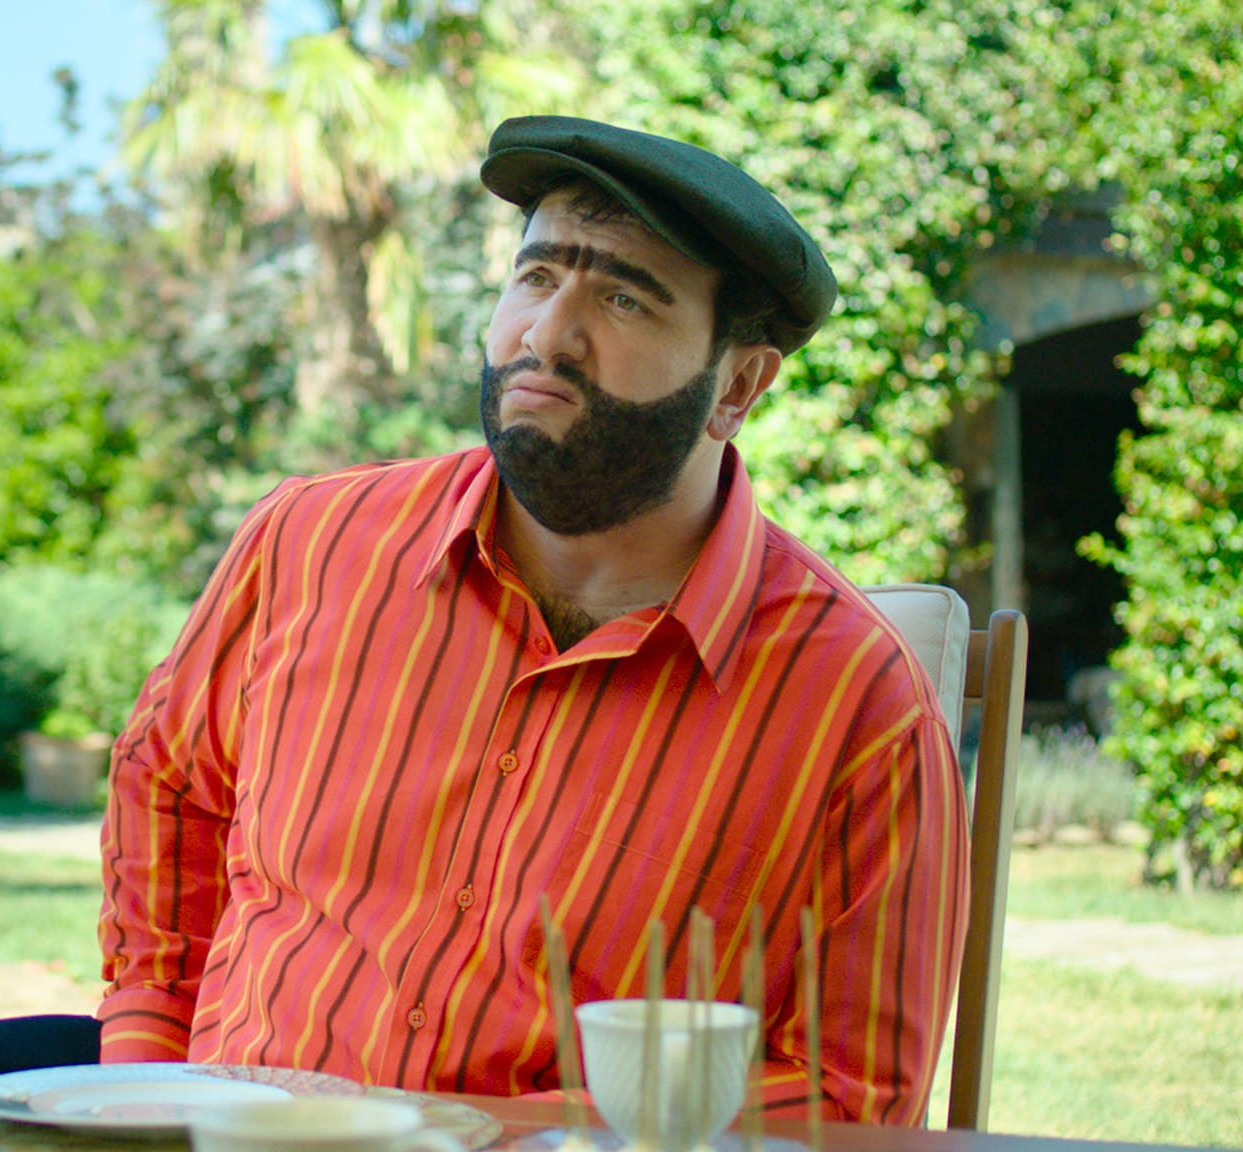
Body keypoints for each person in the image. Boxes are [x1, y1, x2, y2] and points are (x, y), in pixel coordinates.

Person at [95, 116, 969, 1127]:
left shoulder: (858, 708)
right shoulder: (308, 544)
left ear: (736, 385)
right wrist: (144, 1075)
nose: (548, 334)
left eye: (624, 298)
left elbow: (852, 1093)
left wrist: (488, 1137)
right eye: (537, 275)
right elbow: (168, 786)